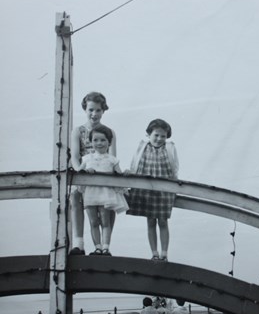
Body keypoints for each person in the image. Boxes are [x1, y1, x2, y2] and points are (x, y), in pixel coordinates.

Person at [70, 92, 117, 255]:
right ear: (85, 109)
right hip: (86, 174)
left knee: (109, 202)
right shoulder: (78, 131)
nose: (94, 114)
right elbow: (74, 158)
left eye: (98, 110)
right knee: (75, 197)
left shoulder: (109, 132)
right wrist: (81, 171)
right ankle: (79, 243)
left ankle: (105, 247)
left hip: (103, 174)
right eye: (91, 110)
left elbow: (112, 157)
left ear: (103, 111)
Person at [126, 119, 179, 261]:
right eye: (156, 135)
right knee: (150, 221)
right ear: (149, 134)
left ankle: (164, 253)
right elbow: (135, 163)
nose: (159, 139)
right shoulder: (143, 147)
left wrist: (175, 184)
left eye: (163, 136)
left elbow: (175, 167)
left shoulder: (169, 148)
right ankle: (154, 253)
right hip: (147, 189)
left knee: (163, 221)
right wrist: (130, 176)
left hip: (163, 190)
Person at [78, 124, 128, 255]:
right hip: (91, 193)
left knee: (105, 222)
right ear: (90, 142)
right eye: (95, 140)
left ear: (109, 142)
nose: (99, 143)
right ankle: (98, 247)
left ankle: (106, 247)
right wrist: (85, 170)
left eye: (103, 140)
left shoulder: (112, 160)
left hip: (106, 194)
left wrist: (126, 173)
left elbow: (119, 176)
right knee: (93, 221)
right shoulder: (86, 158)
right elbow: (78, 173)